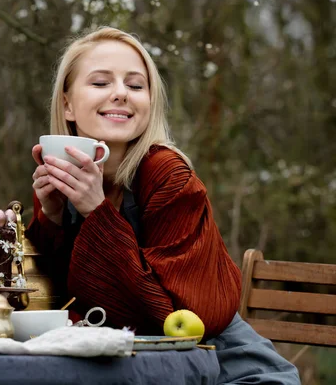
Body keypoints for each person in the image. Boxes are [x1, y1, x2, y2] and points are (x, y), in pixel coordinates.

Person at [23, 27, 301, 384]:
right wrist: (51, 219)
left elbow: (175, 320)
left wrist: (98, 213)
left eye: (136, 86)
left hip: (227, 371)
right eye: (101, 83)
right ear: (67, 104)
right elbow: (51, 304)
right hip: (131, 369)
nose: (121, 93)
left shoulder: (169, 177)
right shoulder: (66, 177)